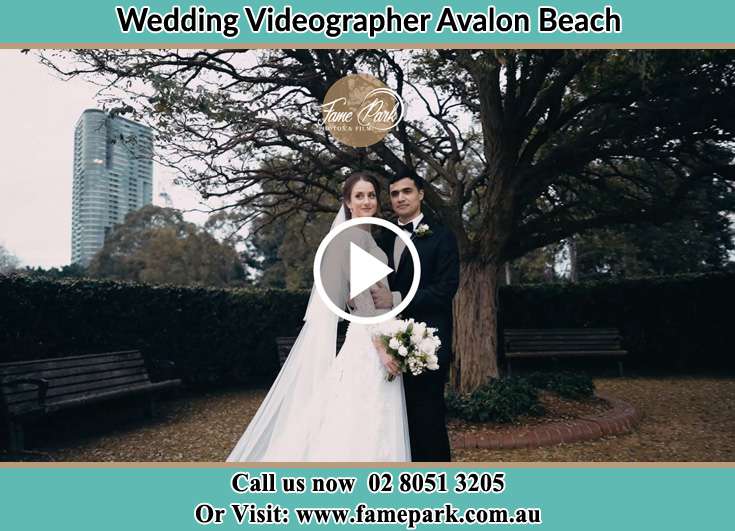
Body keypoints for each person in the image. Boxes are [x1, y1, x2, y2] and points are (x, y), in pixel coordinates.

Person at [226, 172, 411, 461]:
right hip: (370, 343)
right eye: (359, 196)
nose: (366, 201)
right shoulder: (352, 237)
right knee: (362, 416)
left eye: (371, 195)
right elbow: (361, 302)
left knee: (361, 415)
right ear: (348, 203)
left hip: (379, 333)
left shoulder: (366, 236)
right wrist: (382, 347)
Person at [371, 169, 460, 462]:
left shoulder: (442, 236)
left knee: (428, 420)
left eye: (406, 191)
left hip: (428, 343)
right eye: (394, 193)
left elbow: (445, 290)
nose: (400, 198)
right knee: (394, 423)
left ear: (420, 194)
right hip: (387, 344)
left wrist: (396, 298)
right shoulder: (382, 238)